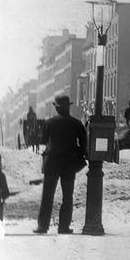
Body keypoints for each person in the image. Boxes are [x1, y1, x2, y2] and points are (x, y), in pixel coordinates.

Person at [35, 93, 88, 235]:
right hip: (69, 165)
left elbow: (43, 142)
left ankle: (43, 226)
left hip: (52, 164)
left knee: (47, 196)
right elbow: (84, 146)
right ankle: (64, 227)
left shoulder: (50, 123)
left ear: (56, 108)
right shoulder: (77, 124)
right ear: (68, 107)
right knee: (67, 197)